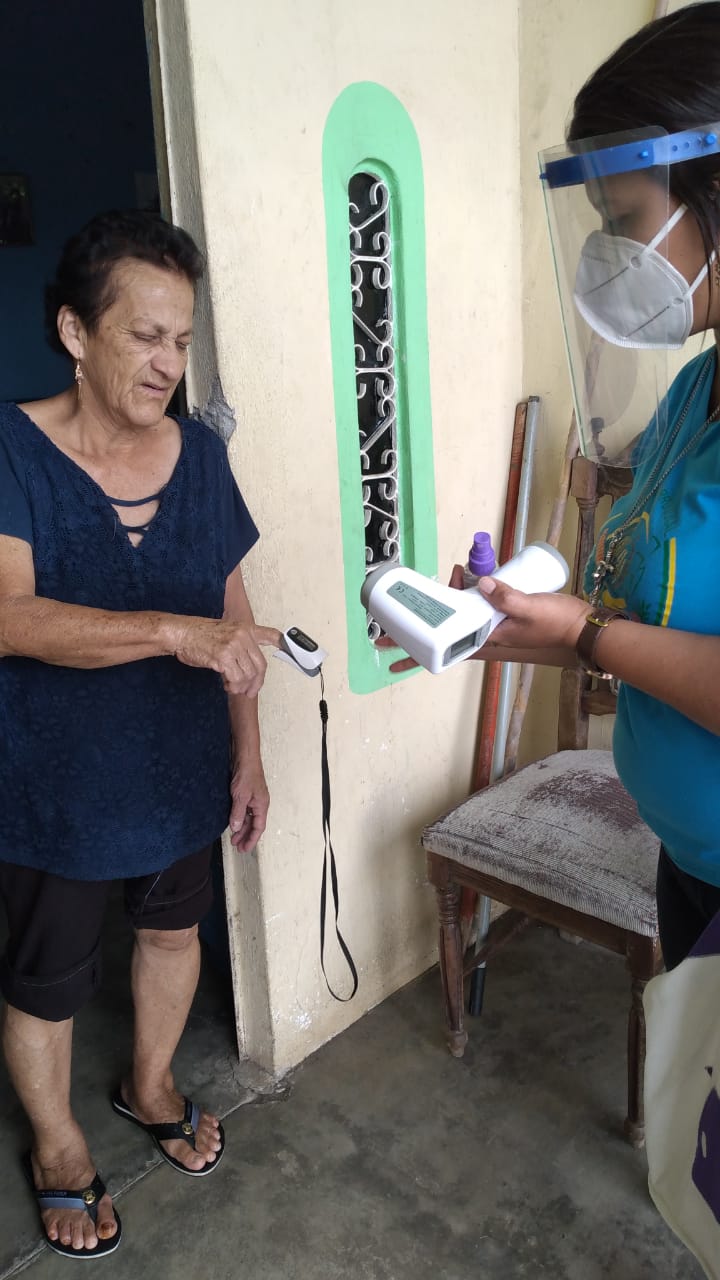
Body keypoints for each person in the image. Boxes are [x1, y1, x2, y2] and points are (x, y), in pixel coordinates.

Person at [393, 5, 720, 972]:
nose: (609, 259)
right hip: (692, 868)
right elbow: (639, 618)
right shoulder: (697, 390)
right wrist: (496, 623)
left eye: (625, 223)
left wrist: (582, 631)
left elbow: (604, 631)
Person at [0, 209, 281, 1258]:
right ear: (75, 332)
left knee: (172, 934)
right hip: (53, 784)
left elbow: (234, 614)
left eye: (183, 340)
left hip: (178, 770)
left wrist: (248, 754)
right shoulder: (13, 449)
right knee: (47, 978)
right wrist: (172, 631)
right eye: (145, 335)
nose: (169, 363)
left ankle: (149, 1084)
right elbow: (9, 616)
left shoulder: (199, 456)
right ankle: (58, 1145)